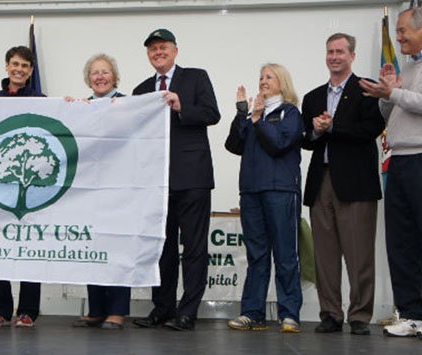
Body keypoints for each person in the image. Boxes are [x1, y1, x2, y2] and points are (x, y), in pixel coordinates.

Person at [359, 7, 422, 341]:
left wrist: (393, 93)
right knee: (402, 243)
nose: (397, 37)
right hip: (400, 159)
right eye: (395, 31)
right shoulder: (408, 68)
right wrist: (388, 93)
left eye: (402, 30)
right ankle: (411, 312)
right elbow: (392, 113)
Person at [131, 29, 220, 331]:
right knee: (162, 249)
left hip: (193, 177)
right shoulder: (141, 89)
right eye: (153, 49)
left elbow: (212, 114)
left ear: (175, 50)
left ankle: (188, 311)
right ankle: (162, 308)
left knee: (194, 249)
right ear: (148, 55)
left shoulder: (196, 77)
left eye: (163, 47)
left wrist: (183, 107)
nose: (158, 52)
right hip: (156, 181)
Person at [301, 33, 385, 336]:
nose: (334, 56)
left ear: (352, 55)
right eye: (330, 52)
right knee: (324, 255)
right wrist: (315, 129)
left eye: (340, 51)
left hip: (356, 183)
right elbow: (304, 140)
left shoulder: (367, 91)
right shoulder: (312, 98)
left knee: (359, 253)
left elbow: (371, 129)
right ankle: (331, 314)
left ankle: (360, 316)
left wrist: (334, 126)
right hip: (320, 182)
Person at [225, 63, 304, 333]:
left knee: (285, 254)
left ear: (282, 82)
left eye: (269, 77)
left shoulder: (290, 113)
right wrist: (242, 114)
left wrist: (258, 120)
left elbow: (279, 144)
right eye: (260, 77)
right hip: (251, 191)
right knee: (257, 255)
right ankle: (252, 312)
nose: (263, 81)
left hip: (281, 190)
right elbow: (233, 145)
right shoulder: (253, 115)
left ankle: (289, 313)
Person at [69, 53, 130, 330]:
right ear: (88, 79)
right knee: (92, 247)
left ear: (115, 77)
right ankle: (96, 309)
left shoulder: (130, 104)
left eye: (105, 72)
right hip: (89, 189)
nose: (100, 76)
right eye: (95, 72)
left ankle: (117, 311)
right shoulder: (83, 107)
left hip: (120, 188)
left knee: (117, 248)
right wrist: (67, 109)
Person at [0, 45, 44, 328]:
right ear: (7, 67)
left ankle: (28, 311)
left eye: (25, 66)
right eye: (15, 64)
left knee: (31, 248)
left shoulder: (44, 101)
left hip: (32, 188)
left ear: (31, 71)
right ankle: (0, 311)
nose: (19, 69)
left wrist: (71, 104)